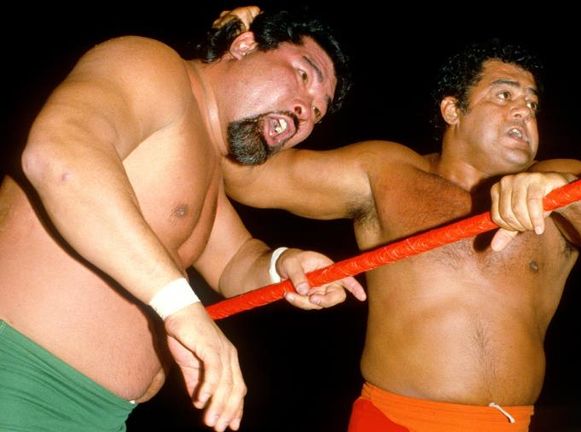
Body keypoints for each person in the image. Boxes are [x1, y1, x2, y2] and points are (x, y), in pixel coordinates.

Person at [224, 37, 581, 431]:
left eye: (532, 103)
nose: (523, 111)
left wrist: (565, 194)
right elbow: (245, 176)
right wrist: (224, 69)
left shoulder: (562, 180)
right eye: (504, 95)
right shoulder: (387, 172)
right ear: (453, 111)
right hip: (395, 420)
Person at [0, 7, 367, 432]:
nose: (305, 112)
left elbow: (235, 262)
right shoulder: (153, 66)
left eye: (317, 113)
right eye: (303, 76)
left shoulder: (205, 161)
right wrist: (181, 308)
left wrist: (285, 264)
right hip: (18, 377)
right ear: (244, 45)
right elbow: (60, 156)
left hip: (97, 413)